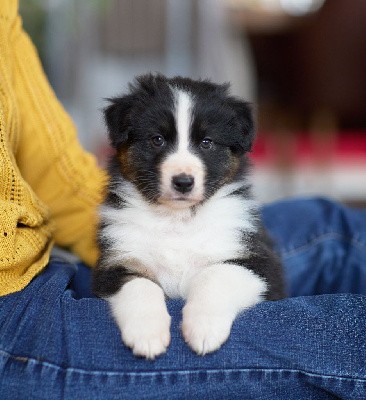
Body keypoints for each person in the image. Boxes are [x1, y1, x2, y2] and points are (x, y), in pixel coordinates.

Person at [1, 1, 365, 399]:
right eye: (156, 140)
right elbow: (116, 276)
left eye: (206, 142)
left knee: (332, 225)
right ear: (124, 138)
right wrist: (141, 294)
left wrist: (214, 294)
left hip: (49, 270)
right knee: (347, 336)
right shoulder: (125, 220)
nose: (183, 167)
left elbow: (258, 274)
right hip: (15, 316)